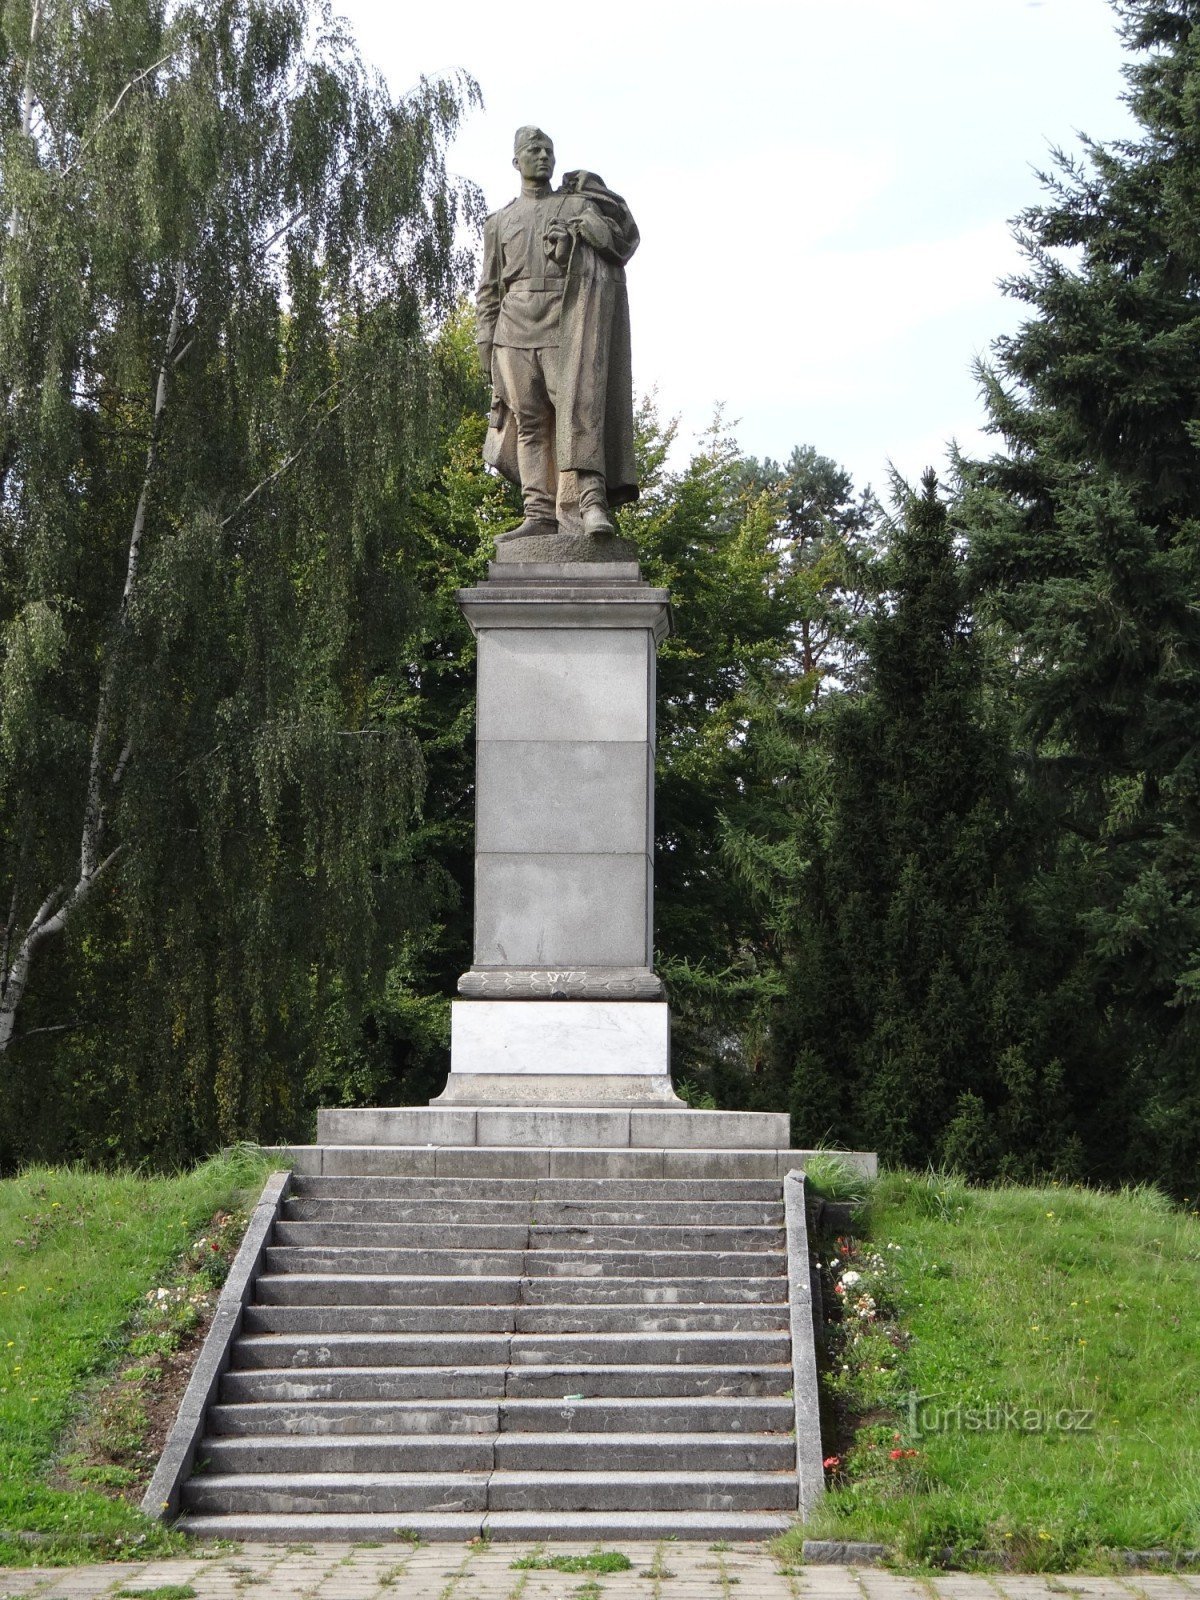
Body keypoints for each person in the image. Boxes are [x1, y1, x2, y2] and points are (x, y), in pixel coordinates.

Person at [476, 126, 640, 541]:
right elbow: (489, 289)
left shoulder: (574, 203)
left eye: (549, 149)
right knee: (529, 423)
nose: (543, 156)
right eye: (533, 150)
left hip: (567, 322)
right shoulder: (498, 222)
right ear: (516, 161)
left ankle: (590, 503)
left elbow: (618, 239)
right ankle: (539, 512)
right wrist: (484, 341)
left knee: (579, 413)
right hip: (513, 330)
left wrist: (576, 244)